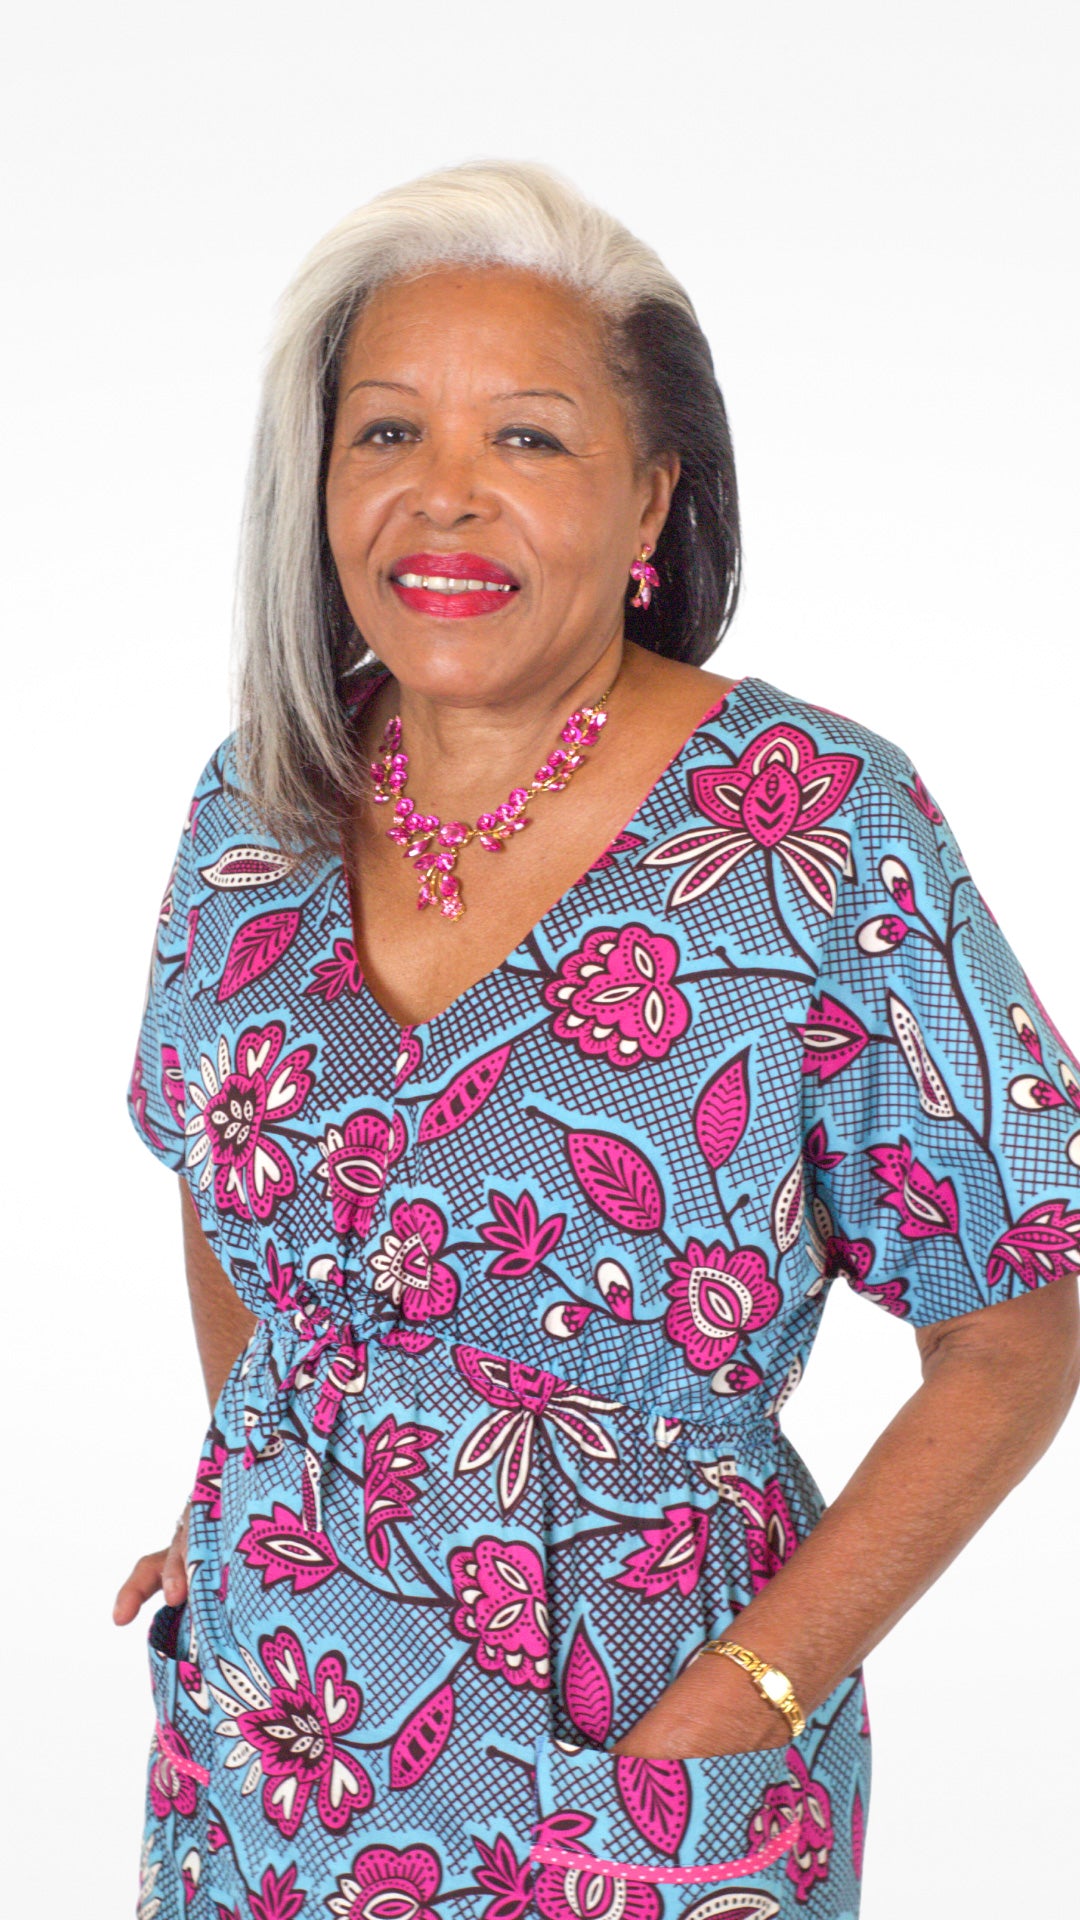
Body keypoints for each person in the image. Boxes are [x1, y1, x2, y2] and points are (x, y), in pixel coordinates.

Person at [115, 159, 1080, 1920]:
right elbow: (217, 1165)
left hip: (634, 1741)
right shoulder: (258, 808)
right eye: (387, 434)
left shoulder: (810, 827)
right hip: (276, 1727)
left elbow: (1021, 1321)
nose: (445, 501)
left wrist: (755, 1695)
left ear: (651, 502)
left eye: (531, 442)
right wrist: (273, 1467)